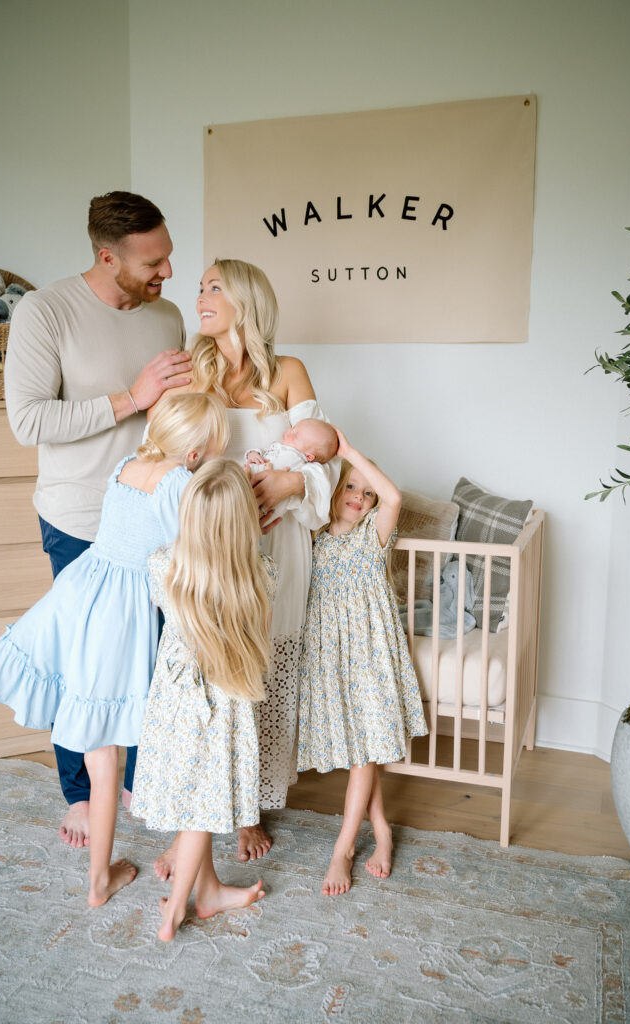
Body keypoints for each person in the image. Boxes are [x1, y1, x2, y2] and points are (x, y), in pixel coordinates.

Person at [0, 394, 228, 907]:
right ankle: (97, 880)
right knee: (104, 751)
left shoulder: (127, 465)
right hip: (117, 612)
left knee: (4, 662)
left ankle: (100, 875)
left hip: (79, 584)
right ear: (197, 451)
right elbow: (189, 559)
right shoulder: (177, 484)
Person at [4, 190, 193, 849]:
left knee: (151, 656)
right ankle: (81, 793)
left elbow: (174, 416)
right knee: (84, 663)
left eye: (168, 257)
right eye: (153, 262)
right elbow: (29, 419)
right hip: (79, 517)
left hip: (155, 520)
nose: (167, 273)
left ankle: (140, 780)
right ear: (107, 256)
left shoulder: (166, 317)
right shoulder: (44, 313)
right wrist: (129, 399)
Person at [152, 258, 339, 869]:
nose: (200, 296)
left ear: (246, 300)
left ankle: (249, 806)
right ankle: (203, 804)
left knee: (260, 666)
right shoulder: (192, 371)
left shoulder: (288, 372)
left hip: (276, 541)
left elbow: (328, 455)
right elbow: (169, 445)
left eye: (213, 287)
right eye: (200, 286)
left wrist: (288, 484)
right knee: (210, 668)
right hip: (212, 543)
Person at [131, 459, 277, 941]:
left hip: (174, 705)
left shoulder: (162, 566)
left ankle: (208, 891)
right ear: (244, 523)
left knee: (202, 800)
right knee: (201, 811)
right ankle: (175, 911)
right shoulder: (259, 577)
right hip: (219, 709)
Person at [296, 430, 427, 896]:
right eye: (350, 486)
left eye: (365, 492)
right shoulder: (313, 539)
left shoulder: (374, 536)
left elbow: (392, 495)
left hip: (369, 658)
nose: (359, 496)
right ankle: (383, 830)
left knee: (366, 752)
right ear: (333, 490)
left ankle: (343, 848)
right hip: (332, 658)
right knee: (359, 751)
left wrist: (350, 453)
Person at [244, 419, 339, 517]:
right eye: (292, 428)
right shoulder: (280, 445)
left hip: (258, 490)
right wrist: (253, 454)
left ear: (309, 456)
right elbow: (263, 452)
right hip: (248, 480)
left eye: (295, 435)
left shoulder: (296, 459)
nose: (289, 431)